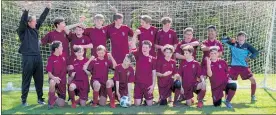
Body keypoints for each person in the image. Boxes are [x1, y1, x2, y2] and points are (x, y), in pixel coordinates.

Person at [17, 1, 51, 106]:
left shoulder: (35, 29)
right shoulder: (22, 31)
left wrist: (47, 8)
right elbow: (22, 21)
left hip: (37, 58)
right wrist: (26, 9)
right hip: (28, 58)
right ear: (29, 22)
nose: (36, 23)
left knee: (39, 79)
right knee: (26, 80)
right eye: (34, 21)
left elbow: (41, 19)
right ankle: (24, 101)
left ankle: (40, 99)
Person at [221, 31, 259, 104]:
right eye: (240, 36)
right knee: (228, 82)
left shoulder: (247, 46)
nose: (241, 37)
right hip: (233, 67)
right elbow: (223, 39)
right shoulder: (233, 44)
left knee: (253, 80)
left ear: (245, 38)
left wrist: (250, 57)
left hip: (244, 67)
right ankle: (226, 98)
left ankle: (253, 95)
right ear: (237, 38)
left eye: (243, 36)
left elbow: (256, 52)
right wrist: (229, 39)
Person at [46, 41, 67, 109]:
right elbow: (49, 74)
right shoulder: (51, 59)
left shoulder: (63, 56)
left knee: (61, 104)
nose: (62, 48)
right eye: (61, 47)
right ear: (56, 49)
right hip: (55, 80)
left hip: (62, 82)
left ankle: (52, 96)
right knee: (52, 82)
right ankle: (50, 101)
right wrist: (54, 78)